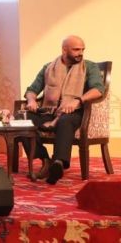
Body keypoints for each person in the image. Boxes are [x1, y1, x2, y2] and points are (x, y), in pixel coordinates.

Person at [22, 35, 105, 185]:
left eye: (82, 49)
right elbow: (32, 89)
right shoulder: (48, 67)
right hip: (49, 111)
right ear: (64, 50)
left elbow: (98, 89)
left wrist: (78, 100)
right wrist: (32, 100)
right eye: (76, 49)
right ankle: (45, 159)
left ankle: (58, 163)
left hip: (74, 113)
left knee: (65, 121)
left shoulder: (90, 67)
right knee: (21, 119)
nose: (80, 53)